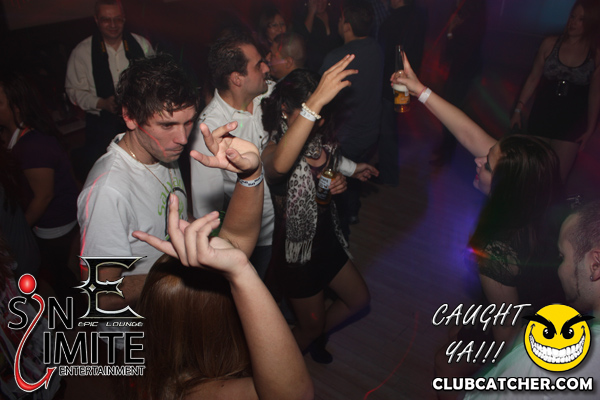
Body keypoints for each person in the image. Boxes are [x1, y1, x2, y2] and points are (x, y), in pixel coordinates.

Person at [392, 53, 564, 394]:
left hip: (530, 331)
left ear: (504, 187)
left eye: (487, 165)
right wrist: (420, 90)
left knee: (445, 365)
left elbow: (507, 339)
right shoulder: (531, 191)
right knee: (455, 335)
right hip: (527, 309)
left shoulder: (498, 249)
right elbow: (469, 134)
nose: (478, 159)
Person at [78, 54, 264, 314]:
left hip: (174, 313)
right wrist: (179, 273)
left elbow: (174, 218)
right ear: (130, 116)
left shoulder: (162, 151)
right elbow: (100, 295)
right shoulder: (108, 191)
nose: (182, 138)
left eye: (188, 122)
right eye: (167, 125)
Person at [130, 194, 313, 400]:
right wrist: (241, 274)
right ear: (218, 323)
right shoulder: (192, 391)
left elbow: (240, 235)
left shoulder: (157, 367)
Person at [261, 59, 375, 363]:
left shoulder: (318, 139)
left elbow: (330, 162)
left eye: (322, 113)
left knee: (359, 299)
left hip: (327, 241)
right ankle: (275, 372)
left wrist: (345, 175)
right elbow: (278, 166)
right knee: (309, 327)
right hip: (298, 257)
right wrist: (313, 106)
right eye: (311, 112)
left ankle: (314, 334)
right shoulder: (273, 147)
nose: (319, 121)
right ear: (285, 109)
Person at [463, 201, 600, 399]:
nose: (559, 268)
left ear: (595, 265)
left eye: (562, 256)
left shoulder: (546, 360)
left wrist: (518, 348)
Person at [190, 32, 274, 279]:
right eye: (258, 65)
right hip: (254, 238)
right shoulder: (210, 130)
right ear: (237, 78)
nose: (266, 68)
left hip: (286, 222)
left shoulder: (270, 94)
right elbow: (207, 211)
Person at [1, 71, 79, 301]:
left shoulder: (34, 145)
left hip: (56, 230)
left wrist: (16, 233)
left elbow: (43, 196)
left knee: (64, 285)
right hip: (44, 229)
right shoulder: (11, 137)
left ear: (17, 107)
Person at [510, 0, 600, 181]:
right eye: (572, 16)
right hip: (543, 114)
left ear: (591, 23)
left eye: (581, 19)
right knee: (533, 172)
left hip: (571, 122)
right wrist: (518, 109)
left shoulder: (595, 54)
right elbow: (533, 78)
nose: (573, 22)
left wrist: (590, 128)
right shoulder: (550, 44)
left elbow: (595, 93)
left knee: (556, 178)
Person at [66, 0, 155, 180]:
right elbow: (73, 91)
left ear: (124, 19)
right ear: (96, 20)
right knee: (108, 176)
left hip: (141, 122)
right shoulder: (82, 51)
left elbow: (156, 79)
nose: (113, 25)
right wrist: (101, 103)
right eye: (106, 20)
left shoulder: (140, 44)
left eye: (118, 19)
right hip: (102, 128)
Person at [320, 0, 383, 229]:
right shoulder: (377, 49)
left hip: (346, 137)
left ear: (347, 26)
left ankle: (341, 221)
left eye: (340, 19)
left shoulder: (337, 58)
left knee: (340, 180)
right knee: (357, 171)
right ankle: (353, 212)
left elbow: (319, 99)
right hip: (371, 132)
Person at [377, 0, 428, 185]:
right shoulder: (418, 15)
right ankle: (389, 167)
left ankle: (388, 174)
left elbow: (384, 54)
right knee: (395, 124)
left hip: (392, 82)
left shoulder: (394, 20)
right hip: (407, 81)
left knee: (387, 128)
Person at [292, 0, 343, 72]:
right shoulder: (302, 17)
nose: (320, 2)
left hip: (336, 63)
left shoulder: (334, 15)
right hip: (315, 67)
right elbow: (303, 37)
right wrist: (311, 12)